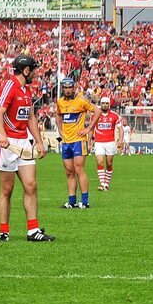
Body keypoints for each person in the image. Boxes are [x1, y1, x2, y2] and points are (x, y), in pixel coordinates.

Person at [0, 55, 54, 242]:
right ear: (26, 70)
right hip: (7, 144)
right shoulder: (9, 86)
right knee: (7, 189)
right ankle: (4, 231)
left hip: (23, 143)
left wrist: (39, 142)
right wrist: (2, 135)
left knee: (31, 185)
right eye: (33, 70)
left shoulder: (26, 90)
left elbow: (30, 118)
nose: (35, 73)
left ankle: (33, 230)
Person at [56, 78, 96, 209]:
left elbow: (97, 111)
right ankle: (72, 201)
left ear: (73, 88)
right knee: (69, 171)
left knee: (79, 169)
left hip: (79, 141)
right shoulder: (60, 102)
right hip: (66, 141)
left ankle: (85, 201)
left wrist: (88, 128)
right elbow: (58, 115)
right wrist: (60, 129)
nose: (67, 90)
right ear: (63, 88)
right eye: (65, 88)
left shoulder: (81, 101)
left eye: (70, 87)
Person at [92, 97, 123, 191]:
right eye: (103, 103)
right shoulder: (95, 115)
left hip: (110, 142)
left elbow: (120, 129)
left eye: (106, 103)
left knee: (109, 163)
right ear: (100, 104)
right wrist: (89, 141)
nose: (104, 105)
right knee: (100, 162)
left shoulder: (115, 116)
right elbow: (91, 128)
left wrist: (120, 140)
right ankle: (102, 184)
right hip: (98, 142)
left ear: (109, 104)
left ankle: (106, 184)